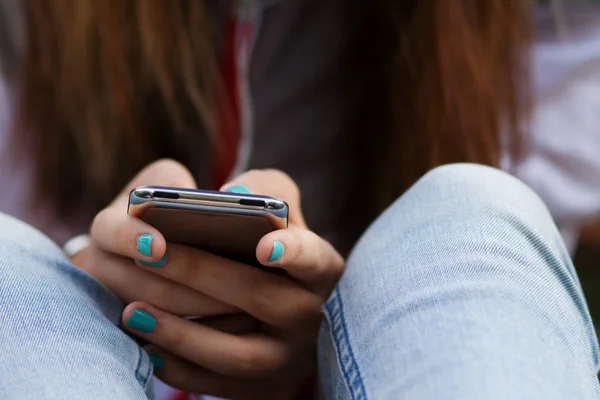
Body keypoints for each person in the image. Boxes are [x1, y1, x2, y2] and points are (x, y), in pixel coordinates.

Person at [0, 1, 599, 399]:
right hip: (85, 353)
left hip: (384, 346)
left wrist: (328, 328)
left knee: (472, 204)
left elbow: (546, 150)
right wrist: (84, 265)